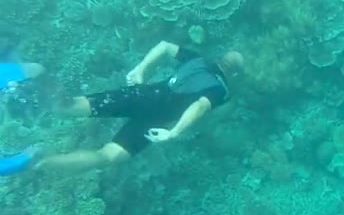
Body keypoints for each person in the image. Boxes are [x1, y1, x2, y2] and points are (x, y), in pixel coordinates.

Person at [35, 41, 244, 172]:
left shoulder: (197, 59)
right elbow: (200, 106)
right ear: (233, 74)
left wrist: (140, 69)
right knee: (106, 156)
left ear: (220, 57)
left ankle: (35, 80)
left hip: (141, 94)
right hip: (154, 120)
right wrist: (173, 133)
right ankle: (39, 163)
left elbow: (164, 46)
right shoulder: (221, 91)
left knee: (69, 106)